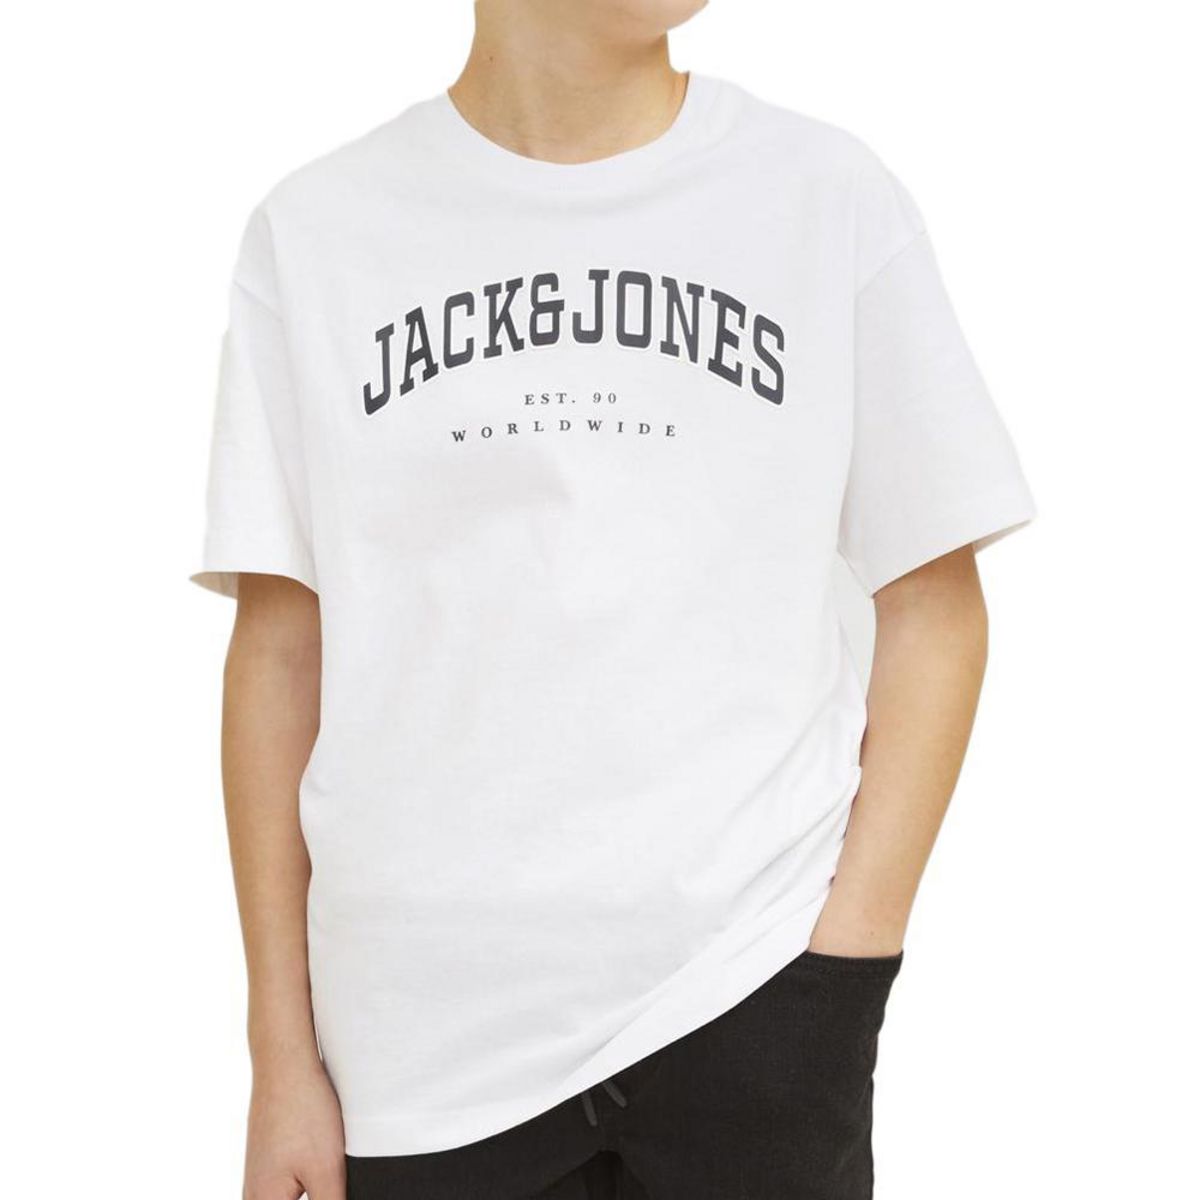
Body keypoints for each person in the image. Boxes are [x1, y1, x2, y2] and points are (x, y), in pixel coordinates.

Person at [194, 1, 1035, 1196]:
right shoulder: (319, 231)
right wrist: (280, 1056)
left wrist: (846, 965)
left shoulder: (823, 197)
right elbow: (281, 652)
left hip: (754, 999)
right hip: (419, 1056)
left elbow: (935, 601)